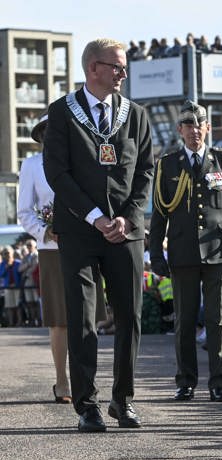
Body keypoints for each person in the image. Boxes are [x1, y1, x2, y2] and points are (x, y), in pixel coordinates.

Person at [43, 38, 154, 432]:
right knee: (83, 319)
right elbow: (58, 173)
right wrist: (94, 217)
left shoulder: (136, 115)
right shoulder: (61, 113)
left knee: (130, 317)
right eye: (117, 67)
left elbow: (144, 171)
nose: (123, 74)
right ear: (94, 68)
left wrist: (125, 217)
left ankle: (122, 400)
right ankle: (86, 404)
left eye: (124, 68)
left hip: (125, 232)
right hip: (80, 230)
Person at [149, 100, 222, 403]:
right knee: (185, 322)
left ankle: (219, 382)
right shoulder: (167, 165)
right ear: (179, 130)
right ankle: (186, 381)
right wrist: (156, 255)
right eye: (189, 125)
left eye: (200, 124)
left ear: (208, 127)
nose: (195, 130)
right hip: (183, 253)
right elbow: (159, 215)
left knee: (218, 322)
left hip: (219, 253)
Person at [18, 113, 71, 402]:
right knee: (59, 321)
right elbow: (25, 212)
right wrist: (44, 232)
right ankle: (62, 382)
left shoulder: (80, 161)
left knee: (86, 319)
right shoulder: (31, 165)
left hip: (84, 246)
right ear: (41, 135)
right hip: (52, 251)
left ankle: (85, 381)